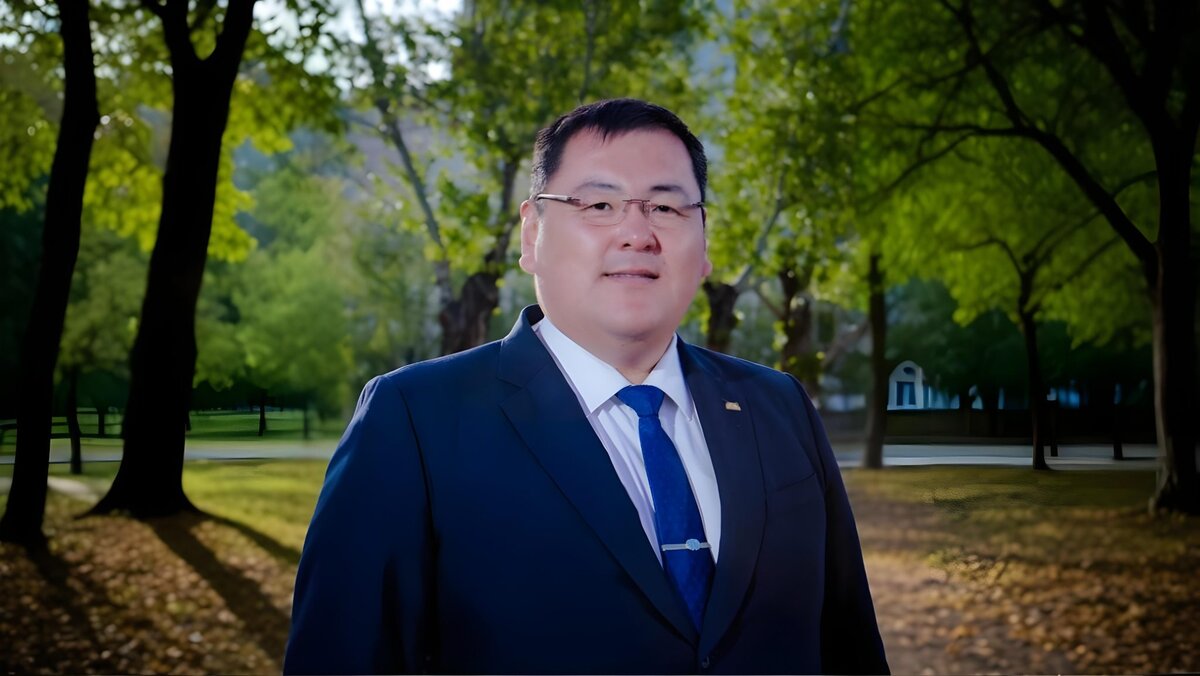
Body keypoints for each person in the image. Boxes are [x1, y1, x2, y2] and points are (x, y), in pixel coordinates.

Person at [284, 98, 888, 674]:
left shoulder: (777, 406)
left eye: (667, 207)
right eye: (599, 206)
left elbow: (848, 647)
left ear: (703, 243)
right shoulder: (414, 421)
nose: (636, 232)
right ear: (531, 235)